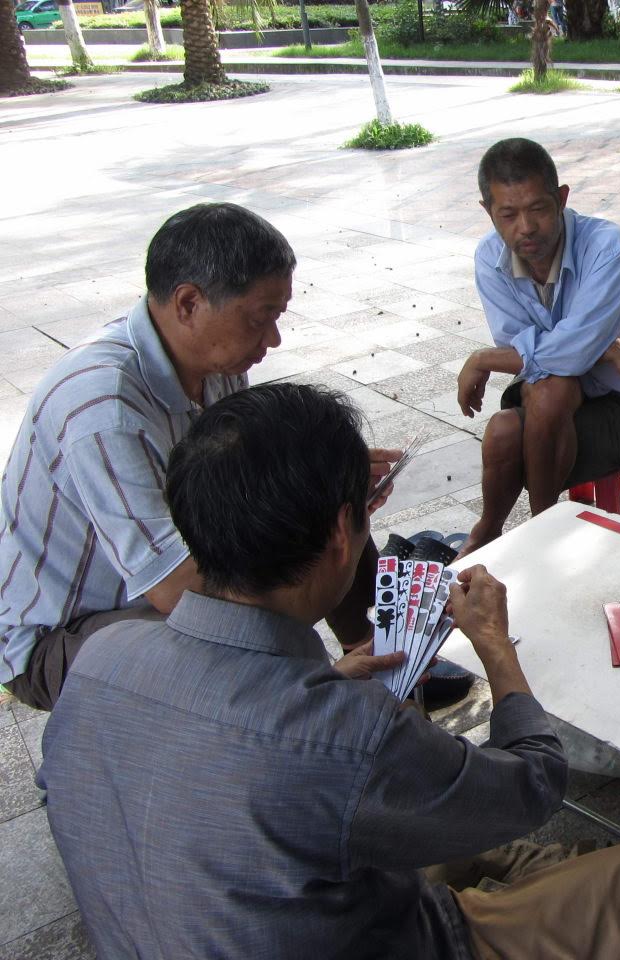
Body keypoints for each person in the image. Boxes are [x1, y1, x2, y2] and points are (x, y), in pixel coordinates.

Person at [38, 382, 620, 960]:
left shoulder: (100, 657)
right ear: (340, 536)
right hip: (400, 941)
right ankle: (508, 881)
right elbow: (534, 783)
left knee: (428, 826)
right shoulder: (348, 735)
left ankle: (505, 869)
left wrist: (326, 677)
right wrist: (497, 649)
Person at [0, 202, 405, 712]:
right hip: (66, 629)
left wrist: (325, 474)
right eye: (262, 318)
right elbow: (178, 593)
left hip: (176, 576)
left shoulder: (217, 362)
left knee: (334, 511)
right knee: (222, 646)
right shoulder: (101, 407)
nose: (273, 340)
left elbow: (249, 483)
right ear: (188, 303)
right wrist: (311, 680)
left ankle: (382, 663)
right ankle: (314, 706)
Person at [457, 138, 620, 555]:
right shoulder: (489, 256)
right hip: (549, 400)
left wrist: (483, 359)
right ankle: (488, 529)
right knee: (503, 428)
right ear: (488, 213)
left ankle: (542, 528)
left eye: (537, 209)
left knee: (552, 389)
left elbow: (549, 356)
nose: (526, 227)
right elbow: (525, 347)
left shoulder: (607, 246)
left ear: (561, 198)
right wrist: (603, 345)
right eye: (508, 214)